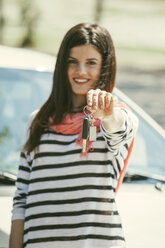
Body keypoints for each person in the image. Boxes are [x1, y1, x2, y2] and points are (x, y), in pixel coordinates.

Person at [9, 23, 138, 248]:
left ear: (104, 67)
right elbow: (22, 198)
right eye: (72, 62)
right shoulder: (37, 122)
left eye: (91, 63)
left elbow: (117, 128)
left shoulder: (117, 117)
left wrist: (105, 114)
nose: (80, 71)